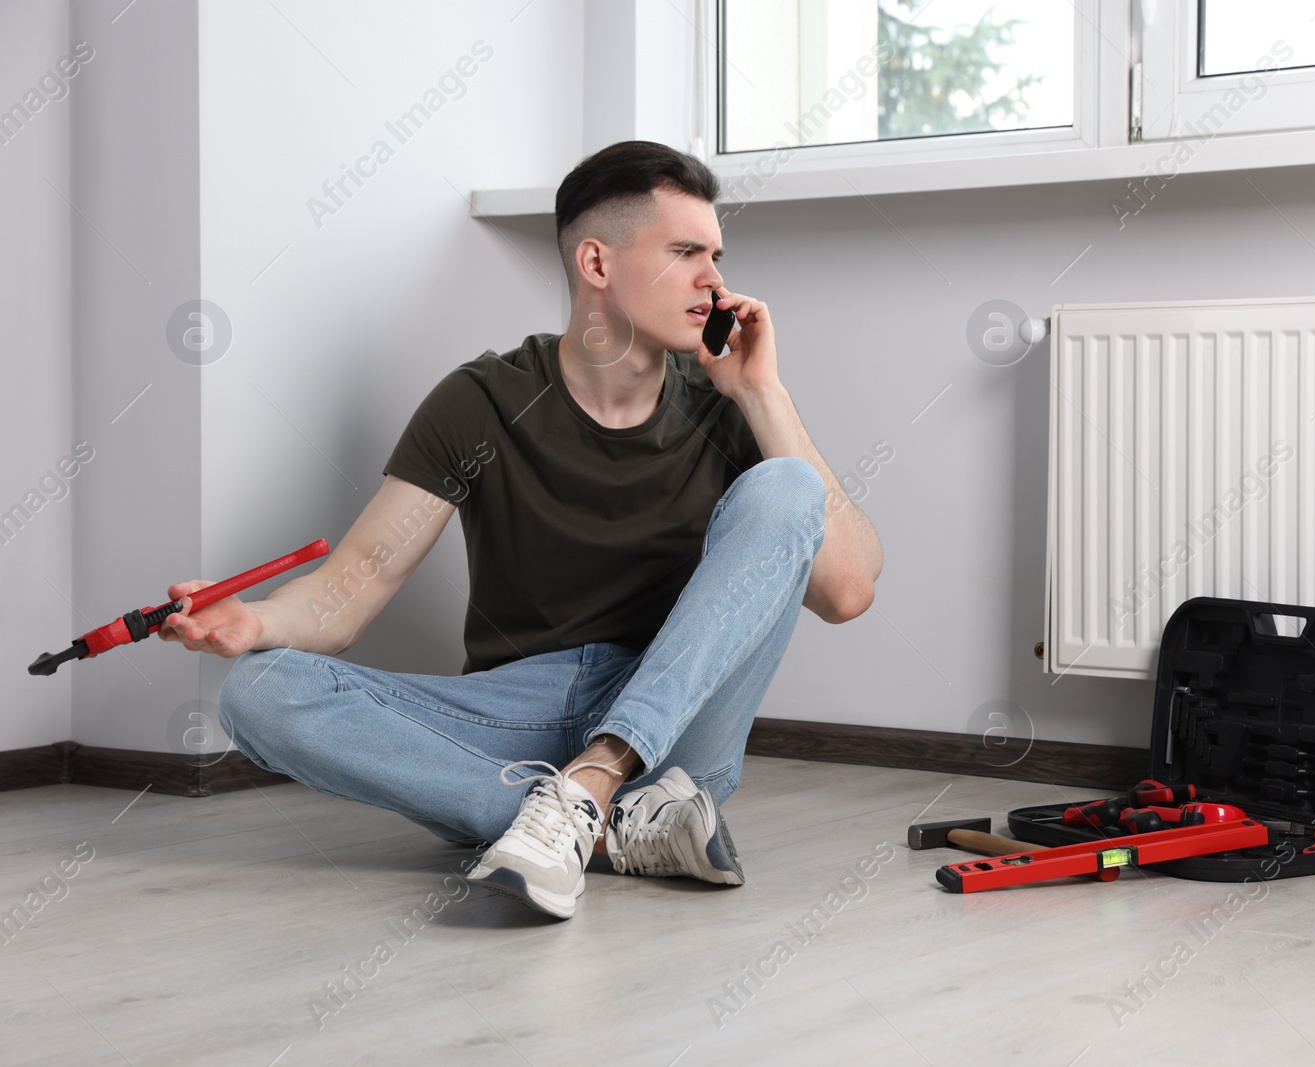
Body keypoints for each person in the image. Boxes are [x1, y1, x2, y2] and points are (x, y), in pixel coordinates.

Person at [157, 140, 883, 920]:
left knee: (789, 483)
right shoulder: (482, 401)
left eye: (717, 254)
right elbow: (353, 585)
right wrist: (254, 620)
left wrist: (762, 395)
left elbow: (846, 589)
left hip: (669, 723)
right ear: (597, 264)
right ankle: (612, 831)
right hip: (515, 716)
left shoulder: (724, 409)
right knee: (260, 688)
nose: (716, 279)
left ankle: (593, 784)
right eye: (685, 252)